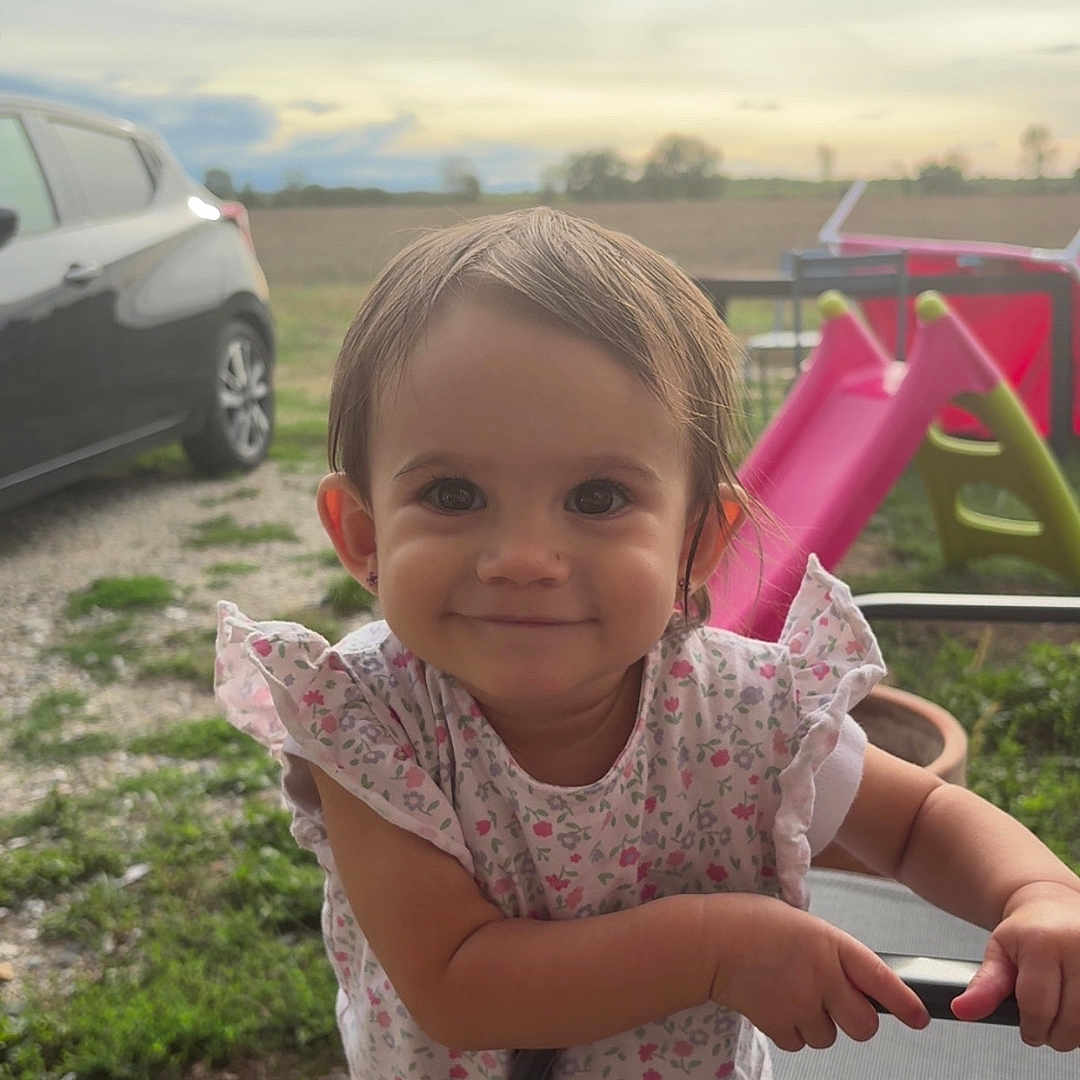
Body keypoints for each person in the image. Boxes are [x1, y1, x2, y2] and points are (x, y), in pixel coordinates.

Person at [214, 208, 1080, 1079]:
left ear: (698, 542)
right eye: (452, 494)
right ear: (362, 533)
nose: (523, 559)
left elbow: (920, 823)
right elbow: (456, 984)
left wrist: (1039, 893)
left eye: (596, 498)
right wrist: (718, 949)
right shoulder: (369, 722)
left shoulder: (742, 710)